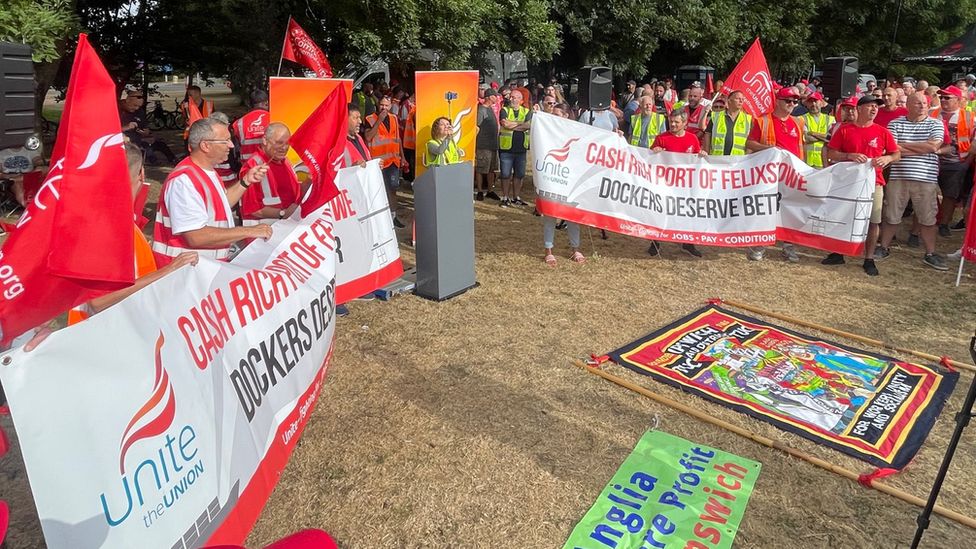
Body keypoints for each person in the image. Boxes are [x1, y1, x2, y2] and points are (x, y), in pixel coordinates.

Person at [68, 143, 199, 325]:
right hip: (102, 334)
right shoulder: (106, 226)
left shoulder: (113, 218)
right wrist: (168, 270)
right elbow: (99, 302)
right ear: (142, 173)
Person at [152, 118, 272, 267]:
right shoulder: (184, 181)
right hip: (184, 274)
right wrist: (249, 231)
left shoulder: (206, 172)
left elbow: (221, 204)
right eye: (225, 141)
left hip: (201, 269)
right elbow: (195, 236)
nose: (231, 145)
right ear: (205, 145)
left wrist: (245, 181)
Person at [824, 95, 901, 276]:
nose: (874, 109)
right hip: (848, 183)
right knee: (844, 217)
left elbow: (896, 153)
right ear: (859, 109)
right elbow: (832, 153)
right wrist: (848, 156)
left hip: (874, 183)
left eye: (876, 106)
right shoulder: (844, 130)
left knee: (873, 221)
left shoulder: (882, 132)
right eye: (870, 106)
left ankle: (869, 258)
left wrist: (887, 158)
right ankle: (838, 252)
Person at [878, 92, 947, 270]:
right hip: (898, 177)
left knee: (927, 218)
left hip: (925, 178)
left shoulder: (936, 123)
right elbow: (891, 148)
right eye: (918, 103)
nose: (923, 106)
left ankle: (930, 253)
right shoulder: (895, 123)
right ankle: (883, 247)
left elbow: (933, 146)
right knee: (892, 215)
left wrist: (903, 147)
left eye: (925, 103)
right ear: (908, 105)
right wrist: (921, 147)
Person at [746, 86, 806, 262]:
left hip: (792, 173)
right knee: (767, 209)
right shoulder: (763, 121)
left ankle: (789, 246)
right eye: (788, 101)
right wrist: (770, 149)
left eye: (795, 101)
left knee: (791, 209)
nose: (792, 104)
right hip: (769, 174)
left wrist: (803, 168)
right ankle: (759, 245)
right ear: (778, 101)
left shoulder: (798, 123)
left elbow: (800, 147)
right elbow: (750, 143)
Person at [648, 109, 705, 259]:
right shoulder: (662, 138)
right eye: (671, 121)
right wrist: (655, 151)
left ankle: (687, 243)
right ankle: (655, 242)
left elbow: (697, 159)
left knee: (687, 214)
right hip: (665, 184)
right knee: (661, 213)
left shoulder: (692, 139)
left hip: (686, 185)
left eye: (676, 122)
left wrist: (702, 156)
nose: (672, 124)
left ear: (684, 123)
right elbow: (649, 157)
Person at [542, 105, 585, 266]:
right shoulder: (548, 131)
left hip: (570, 180)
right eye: (552, 114)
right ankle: (548, 250)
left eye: (557, 114)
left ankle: (575, 248)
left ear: (566, 115)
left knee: (572, 216)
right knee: (550, 215)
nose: (553, 116)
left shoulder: (576, 132)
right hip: (552, 177)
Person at [930, 85, 975, 237]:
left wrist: (966, 163)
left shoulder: (969, 117)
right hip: (931, 160)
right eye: (941, 97)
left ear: (958, 100)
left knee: (950, 194)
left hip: (956, 162)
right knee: (927, 192)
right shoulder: (932, 114)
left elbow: (974, 142)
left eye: (947, 97)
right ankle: (928, 221)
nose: (943, 100)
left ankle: (944, 223)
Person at [238, 122, 302, 225]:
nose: (284, 147)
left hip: (283, 229)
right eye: (279, 142)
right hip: (262, 236)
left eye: (287, 143)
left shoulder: (285, 161)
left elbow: (294, 193)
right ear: (265, 140)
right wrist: (283, 213)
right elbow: (253, 209)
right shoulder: (253, 166)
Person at [364, 96, 408, 228]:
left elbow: (397, 139)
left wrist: (403, 157)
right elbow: (368, 137)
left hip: (393, 161)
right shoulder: (369, 118)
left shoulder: (394, 118)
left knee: (393, 190)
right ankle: (378, 220)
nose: (384, 108)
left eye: (386, 105)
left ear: (390, 106)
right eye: (382, 105)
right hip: (378, 162)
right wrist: (379, 121)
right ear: (378, 105)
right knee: (377, 191)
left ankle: (393, 217)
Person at [119, 87, 176, 165]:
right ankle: (153, 161)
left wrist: (146, 133)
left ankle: (173, 159)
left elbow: (145, 127)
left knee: (160, 144)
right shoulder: (118, 110)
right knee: (145, 147)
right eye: (134, 105)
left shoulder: (139, 112)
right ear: (127, 100)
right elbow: (110, 130)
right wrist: (126, 127)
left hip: (140, 137)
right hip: (127, 141)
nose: (136, 108)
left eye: (139, 106)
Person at [498, 90, 532, 207]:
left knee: (519, 174)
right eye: (511, 97)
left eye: (515, 97)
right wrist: (520, 124)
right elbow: (505, 124)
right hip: (506, 149)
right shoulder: (504, 110)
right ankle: (505, 197)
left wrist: (512, 125)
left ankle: (516, 197)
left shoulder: (527, 111)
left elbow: (529, 125)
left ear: (521, 100)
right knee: (505, 174)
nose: (512, 99)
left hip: (521, 149)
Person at [703, 90, 753, 156]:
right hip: (717, 159)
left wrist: (746, 157)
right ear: (729, 101)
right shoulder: (716, 116)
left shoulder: (748, 119)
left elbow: (752, 140)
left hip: (738, 160)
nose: (741, 101)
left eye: (742, 99)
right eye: (738, 99)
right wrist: (706, 152)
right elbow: (708, 134)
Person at [475, 89, 500, 200]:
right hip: (483, 145)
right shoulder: (482, 110)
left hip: (492, 145)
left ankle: (490, 190)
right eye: (495, 96)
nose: (497, 98)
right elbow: (476, 127)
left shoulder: (490, 109)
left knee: (491, 169)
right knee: (481, 169)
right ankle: (480, 190)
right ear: (490, 97)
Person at [232, 89, 270, 163]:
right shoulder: (274, 119)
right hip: (268, 164)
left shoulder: (238, 123)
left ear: (250, 104)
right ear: (266, 103)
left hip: (248, 165)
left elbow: (235, 149)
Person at [801, 92, 834, 168]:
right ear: (807, 104)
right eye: (810, 101)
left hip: (824, 162)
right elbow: (806, 138)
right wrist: (824, 137)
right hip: (807, 163)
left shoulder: (830, 119)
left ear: (821, 103)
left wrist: (812, 133)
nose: (813, 104)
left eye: (815, 101)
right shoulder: (802, 119)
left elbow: (831, 138)